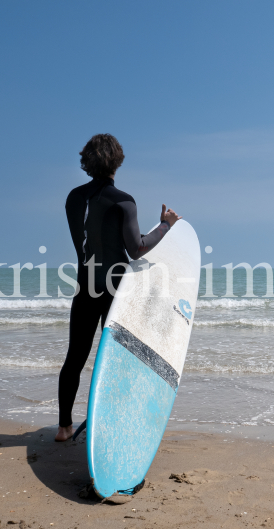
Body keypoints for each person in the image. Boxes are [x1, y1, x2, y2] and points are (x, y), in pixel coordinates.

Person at [55, 133, 181, 442]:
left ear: (87, 161)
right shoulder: (123, 201)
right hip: (116, 291)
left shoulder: (73, 198)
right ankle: (116, 423)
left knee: (75, 357)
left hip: (86, 286)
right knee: (119, 357)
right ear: (117, 161)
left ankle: (63, 428)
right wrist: (165, 225)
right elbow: (136, 248)